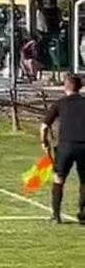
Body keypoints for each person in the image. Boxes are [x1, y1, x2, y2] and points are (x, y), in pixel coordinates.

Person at [40, 73, 85, 224]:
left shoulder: (60, 103)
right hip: (84, 147)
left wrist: (44, 142)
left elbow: (44, 126)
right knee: (84, 181)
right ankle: (83, 215)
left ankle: (56, 215)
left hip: (66, 146)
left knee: (59, 179)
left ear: (66, 86)